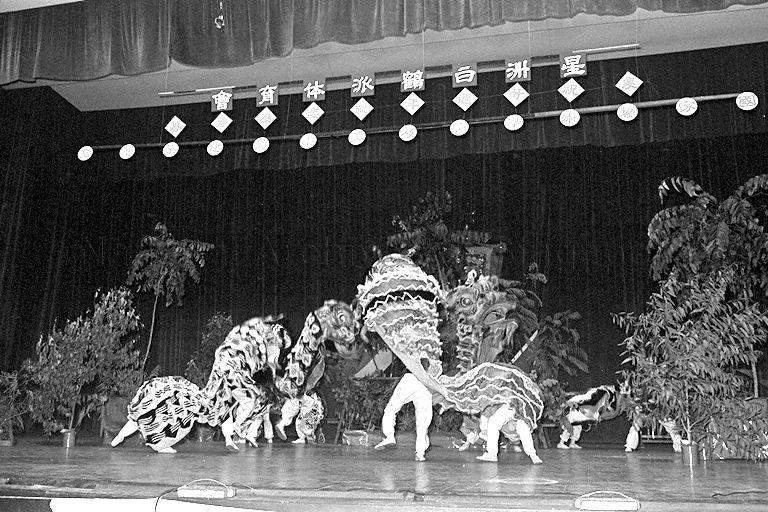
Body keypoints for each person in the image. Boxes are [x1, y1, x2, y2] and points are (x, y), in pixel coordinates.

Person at [374, 372, 433, 461]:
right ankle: (420, 452)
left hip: (413, 379)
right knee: (423, 421)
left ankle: (389, 436)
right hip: (427, 385)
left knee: (391, 409)